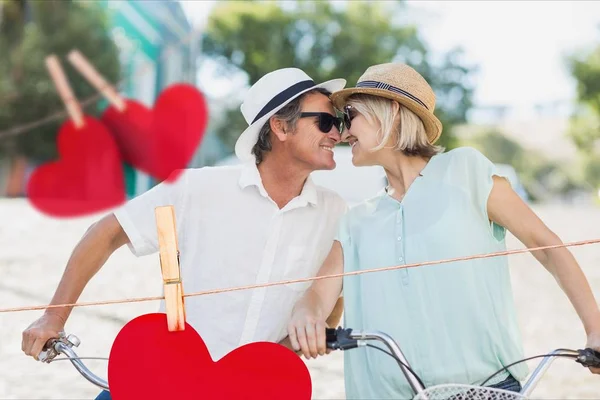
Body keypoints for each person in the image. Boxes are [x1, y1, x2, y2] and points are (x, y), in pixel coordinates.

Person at [21, 68, 349, 399]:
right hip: (163, 381)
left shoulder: (336, 213)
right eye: (325, 122)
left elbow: (330, 301)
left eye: (338, 123)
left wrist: (303, 338)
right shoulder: (197, 187)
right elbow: (105, 233)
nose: (337, 133)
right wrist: (54, 315)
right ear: (280, 126)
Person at [287, 62, 600, 399]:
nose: (343, 132)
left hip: (487, 388)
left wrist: (595, 329)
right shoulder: (357, 219)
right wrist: (308, 311)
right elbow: (320, 293)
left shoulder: (466, 170)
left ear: (390, 112)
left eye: (350, 116)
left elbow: (546, 246)